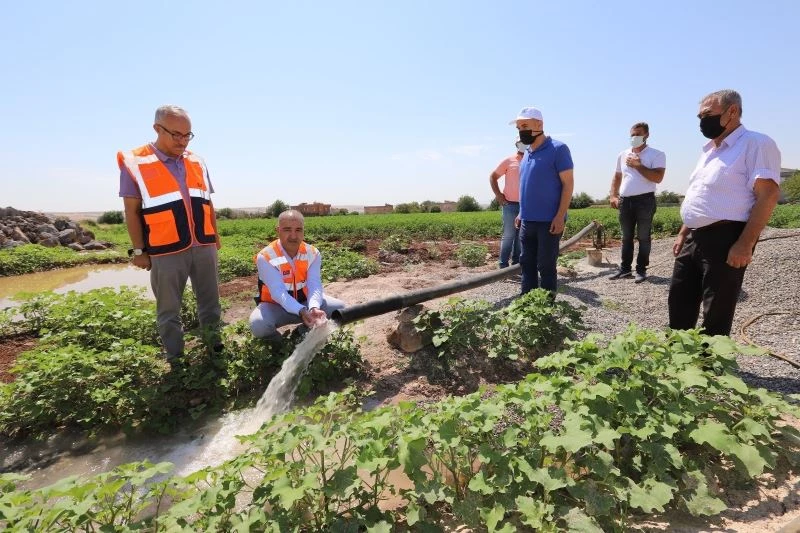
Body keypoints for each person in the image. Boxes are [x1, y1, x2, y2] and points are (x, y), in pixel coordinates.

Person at [668, 89, 781, 336]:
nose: (702, 121)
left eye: (707, 114)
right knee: (679, 301)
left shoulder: (756, 143)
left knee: (716, 309)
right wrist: (683, 232)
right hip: (693, 237)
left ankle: (711, 368)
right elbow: (700, 195)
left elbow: (768, 195)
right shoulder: (709, 150)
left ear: (732, 111)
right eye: (699, 116)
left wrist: (745, 243)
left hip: (726, 237)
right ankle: (679, 362)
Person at [118, 105, 222, 361]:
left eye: (187, 135)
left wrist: (215, 237)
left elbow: (208, 203)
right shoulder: (136, 162)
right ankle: (176, 360)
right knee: (169, 310)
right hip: (166, 249)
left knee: (210, 304)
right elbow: (131, 212)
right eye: (176, 135)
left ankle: (214, 349)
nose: (182, 141)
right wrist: (140, 251)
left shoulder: (197, 160)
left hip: (203, 245)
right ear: (157, 129)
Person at [249, 210, 346, 339]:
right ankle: (279, 347)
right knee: (258, 325)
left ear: (303, 231)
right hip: (276, 306)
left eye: (298, 230)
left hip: (305, 303)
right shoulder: (265, 257)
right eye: (287, 230)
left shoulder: (312, 253)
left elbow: (314, 284)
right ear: (278, 230)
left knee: (340, 309)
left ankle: (301, 333)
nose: (293, 236)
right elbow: (278, 293)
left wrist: (314, 308)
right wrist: (301, 311)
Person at [511, 107, 574, 295]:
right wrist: (521, 212)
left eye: (525, 125)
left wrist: (560, 216)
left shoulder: (558, 149)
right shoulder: (528, 153)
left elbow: (568, 185)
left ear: (539, 125)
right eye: (519, 127)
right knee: (527, 264)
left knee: (546, 266)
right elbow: (526, 186)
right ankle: (526, 304)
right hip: (527, 221)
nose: (521, 130)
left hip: (549, 221)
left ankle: (546, 308)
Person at [608, 122, 666, 283]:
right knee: (626, 236)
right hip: (625, 201)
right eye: (632, 134)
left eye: (638, 134)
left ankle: (641, 270)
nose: (634, 137)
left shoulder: (657, 154)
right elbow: (617, 177)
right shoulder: (622, 154)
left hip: (645, 201)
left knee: (643, 237)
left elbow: (658, 177)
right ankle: (625, 269)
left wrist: (638, 166)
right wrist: (613, 195)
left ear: (647, 135)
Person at [489, 139, 525, 268]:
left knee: (521, 237)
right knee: (509, 235)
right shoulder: (509, 161)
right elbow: (493, 177)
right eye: (520, 141)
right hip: (509, 204)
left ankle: (516, 266)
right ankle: (503, 266)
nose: (523, 143)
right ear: (516, 144)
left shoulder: (531, 160)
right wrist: (498, 195)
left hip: (525, 206)